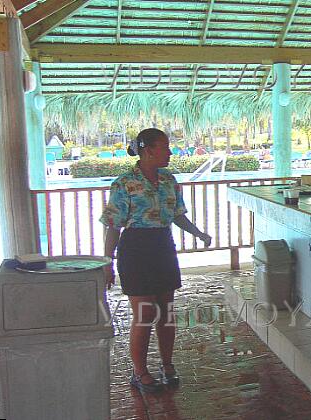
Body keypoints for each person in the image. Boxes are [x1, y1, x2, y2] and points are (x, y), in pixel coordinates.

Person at [100, 128, 212, 393]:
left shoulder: (168, 179)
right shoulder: (124, 183)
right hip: (135, 248)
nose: (170, 152)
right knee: (144, 313)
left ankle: (167, 364)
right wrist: (107, 263)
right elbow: (113, 226)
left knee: (165, 311)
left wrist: (198, 233)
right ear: (148, 150)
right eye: (165, 147)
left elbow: (176, 214)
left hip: (163, 245)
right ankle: (139, 372)